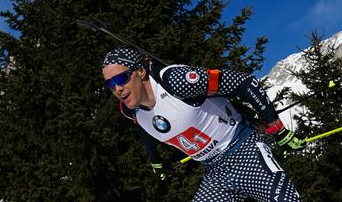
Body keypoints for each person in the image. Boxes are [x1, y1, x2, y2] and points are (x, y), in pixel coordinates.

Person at [102, 46, 305, 202]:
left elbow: (244, 83)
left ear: (140, 72)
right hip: (214, 173)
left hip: (244, 152)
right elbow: (145, 126)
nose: (117, 88)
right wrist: (155, 161)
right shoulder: (130, 109)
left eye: (121, 78)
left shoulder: (176, 81)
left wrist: (277, 129)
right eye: (110, 84)